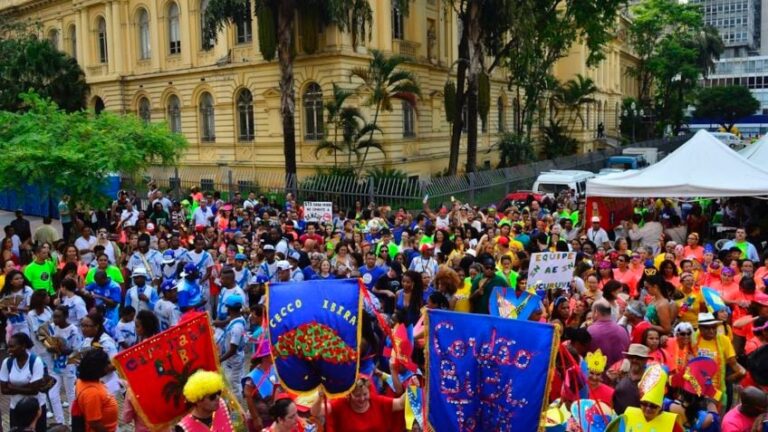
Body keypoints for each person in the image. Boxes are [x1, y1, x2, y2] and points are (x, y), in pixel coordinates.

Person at [311, 375, 405, 432]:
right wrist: (320, 397)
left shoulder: (377, 401)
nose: (362, 398)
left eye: (365, 394)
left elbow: (400, 403)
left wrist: (413, 387)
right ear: (349, 395)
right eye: (357, 395)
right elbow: (315, 412)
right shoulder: (340, 404)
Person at [609, 364, 681, 432]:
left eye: (653, 406)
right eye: (644, 403)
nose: (648, 408)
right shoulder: (627, 416)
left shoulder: (672, 425)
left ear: (661, 404)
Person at [694, 312, 745, 406]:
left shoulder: (723, 340)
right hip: (696, 390)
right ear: (700, 328)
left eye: (714, 327)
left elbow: (735, 366)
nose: (711, 331)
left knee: (716, 417)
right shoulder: (693, 338)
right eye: (707, 328)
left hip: (717, 391)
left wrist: (727, 379)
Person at [0, 333, 47, 431]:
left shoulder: (35, 361)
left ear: (23, 346)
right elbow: (4, 390)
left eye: (12, 347)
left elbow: (34, 391)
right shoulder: (7, 362)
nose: (9, 350)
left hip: (35, 410)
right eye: (8, 347)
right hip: (15, 409)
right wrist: (27, 387)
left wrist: (12, 387)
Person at [74, 349, 119, 432]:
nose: (110, 365)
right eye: (107, 363)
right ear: (97, 368)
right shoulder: (92, 393)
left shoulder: (83, 381)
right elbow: (94, 423)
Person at [217, 294, 246, 399]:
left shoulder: (236, 327)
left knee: (234, 385)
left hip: (234, 360)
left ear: (229, 308)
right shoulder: (237, 319)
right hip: (232, 359)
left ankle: (237, 411)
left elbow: (233, 350)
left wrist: (220, 359)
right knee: (233, 382)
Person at [588, 300, 630, 368]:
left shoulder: (590, 331)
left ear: (596, 312)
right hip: (619, 373)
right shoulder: (623, 330)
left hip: (597, 375)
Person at [612, 344, 650, 415]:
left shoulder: (650, 381)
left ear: (645, 360)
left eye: (638, 358)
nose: (634, 360)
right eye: (632, 357)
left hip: (639, 423)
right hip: (619, 421)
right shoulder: (619, 376)